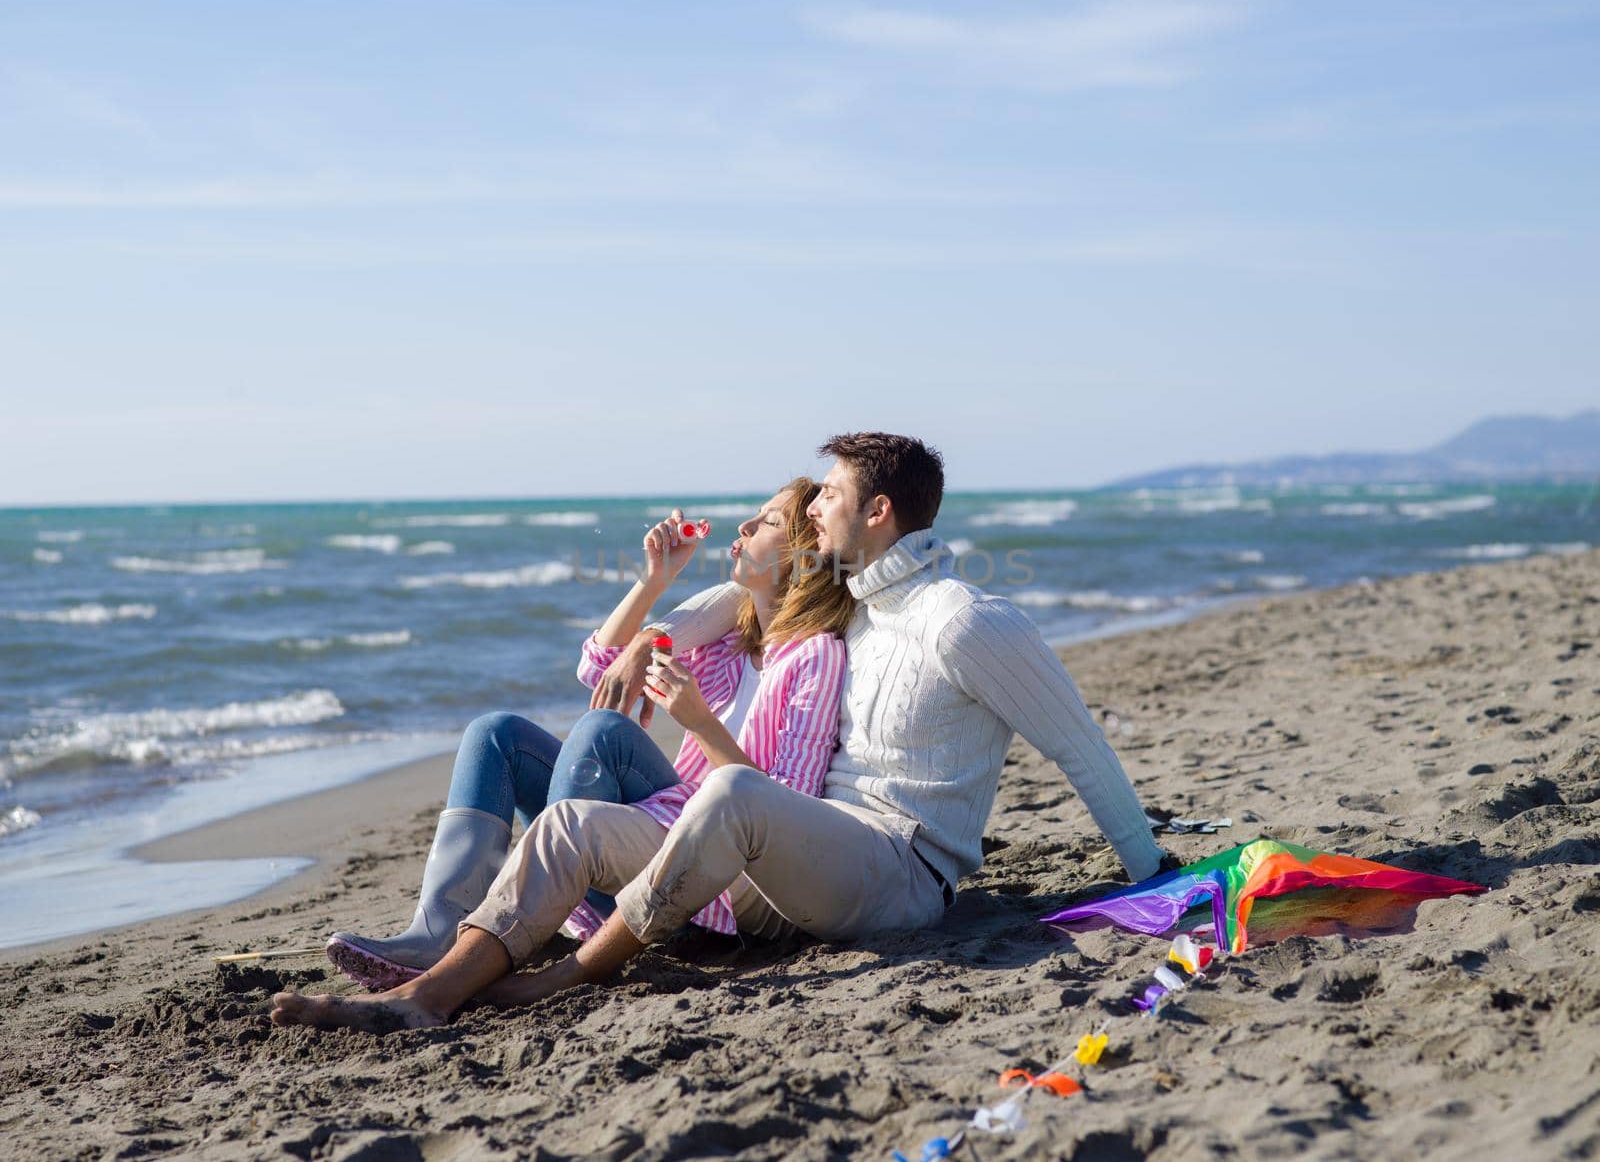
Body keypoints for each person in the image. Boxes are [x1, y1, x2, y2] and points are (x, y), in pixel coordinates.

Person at [271, 432, 1168, 1034]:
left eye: (832, 500)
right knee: (567, 823)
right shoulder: (853, 613)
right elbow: (727, 608)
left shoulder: (961, 619)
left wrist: (1157, 879)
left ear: (882, 513)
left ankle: (574, 971)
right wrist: (656, 625)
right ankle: (431, 993)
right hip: (792, 859)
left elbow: (1077, 746)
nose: (815, 512)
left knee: (729, 788)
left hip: (902, 873)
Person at [324, 477, 852, 990]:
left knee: (603, 730)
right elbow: (601, 673)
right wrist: (654, 581)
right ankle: (438, 932)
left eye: (770, 521)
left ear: (801, 556)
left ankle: (535, 922)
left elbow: (784, 811)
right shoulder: (726, 642)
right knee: (496, 735)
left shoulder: (814, 656)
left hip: (703, 874)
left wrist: (699, 722)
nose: (746, 523)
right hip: (650, 830)